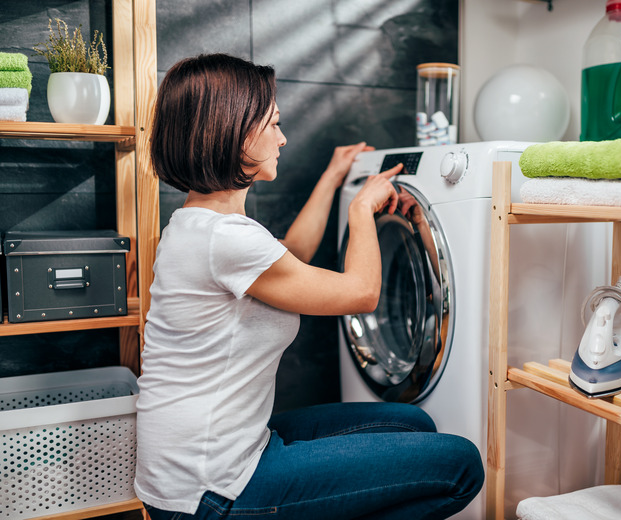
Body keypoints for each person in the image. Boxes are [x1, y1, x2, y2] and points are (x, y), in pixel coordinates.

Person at [134, 53, 484, 520]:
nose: (283, 138)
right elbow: (362, 294)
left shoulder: (198, 224)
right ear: (234, 133)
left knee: (413, 423)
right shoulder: (226, 238)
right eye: (273, 124)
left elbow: (291, 253)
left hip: (200, 462)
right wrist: (360, 211)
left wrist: (334, 176)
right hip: (212, 490)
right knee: (461, 465)